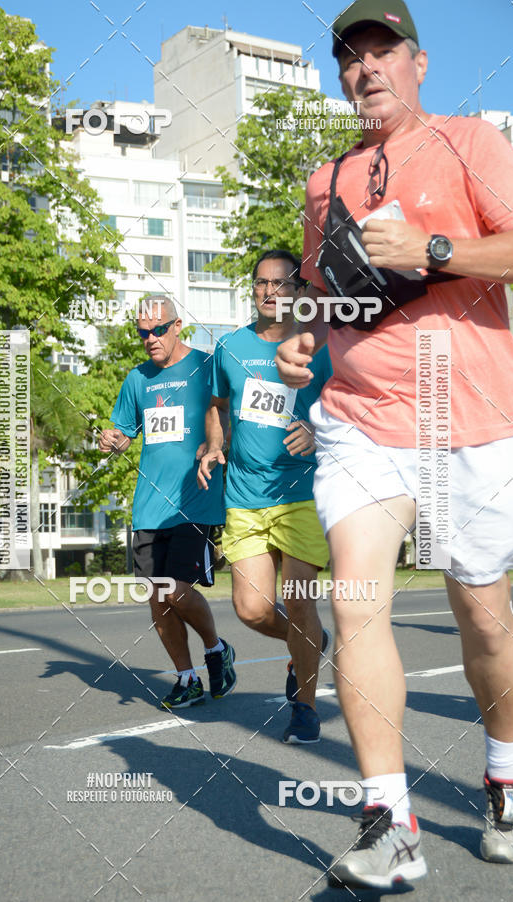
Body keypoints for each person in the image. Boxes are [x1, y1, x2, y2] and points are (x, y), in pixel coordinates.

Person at [275, 0, 513, 888]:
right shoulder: (323, 180)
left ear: (418, 63)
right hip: (360, 420)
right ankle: (391, 821)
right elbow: (317, 290)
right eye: (350, 57)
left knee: (484, 619)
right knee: (355, 604)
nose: (366, 68)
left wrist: (435, 246)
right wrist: (303, 334)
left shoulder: (473, 143)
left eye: (383, 51)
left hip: (470, 421)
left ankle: (506, 778)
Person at [197, 250, 333, 743]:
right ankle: (311, 646)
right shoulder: (230, 348)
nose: (270, 292)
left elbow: (352, 407)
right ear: (252, 290)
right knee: (252, 610)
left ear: (299, 292)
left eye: (281, 284)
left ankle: (305, 708)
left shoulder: (319, 347)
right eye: (261, 283)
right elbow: (216, 406)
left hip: (301, 492)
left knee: (297, 599)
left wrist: (320, 433)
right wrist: (214, 443)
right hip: (245, 494)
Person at [99, 296, 236, 709]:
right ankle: (187, 677)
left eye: (158, 330)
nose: (150, 339)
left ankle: (216, 649)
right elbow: (123, 435)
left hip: (196, 499)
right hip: (149, 506)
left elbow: (228, 418)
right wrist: (110, 440)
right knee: (157, 596)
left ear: (178, 327)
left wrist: (219, 447)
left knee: (175, 588)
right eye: (143, 332)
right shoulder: (137, 380)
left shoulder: (207, 367)